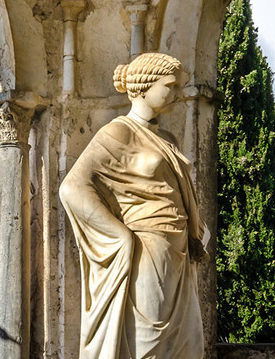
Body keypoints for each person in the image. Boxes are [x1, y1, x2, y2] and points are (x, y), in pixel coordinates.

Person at [59, 52, 207, 359]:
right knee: (148, 347)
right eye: (171, 86)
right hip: (148, 253)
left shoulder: (166, 138)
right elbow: (73, 187)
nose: (179, 95)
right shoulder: (119, 132)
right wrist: (118, 235)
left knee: (187, 348)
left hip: (178, 251)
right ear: (143, 85)